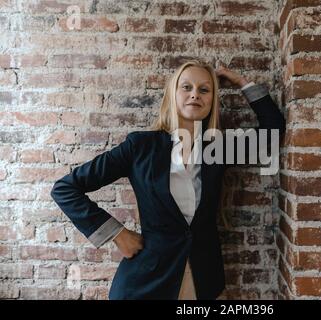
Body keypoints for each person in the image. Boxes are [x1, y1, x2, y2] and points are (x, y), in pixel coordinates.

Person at [50, 59, 286, 300]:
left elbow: (273, 129)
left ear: (212, 100)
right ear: (172, 94)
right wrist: (117, 234)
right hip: (146, 283)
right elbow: (65, 189)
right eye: (186, 87)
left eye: (204, 90)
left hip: (204, 281)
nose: (195, 95)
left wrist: (241, 82)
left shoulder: (219, 148)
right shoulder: (140, 146)